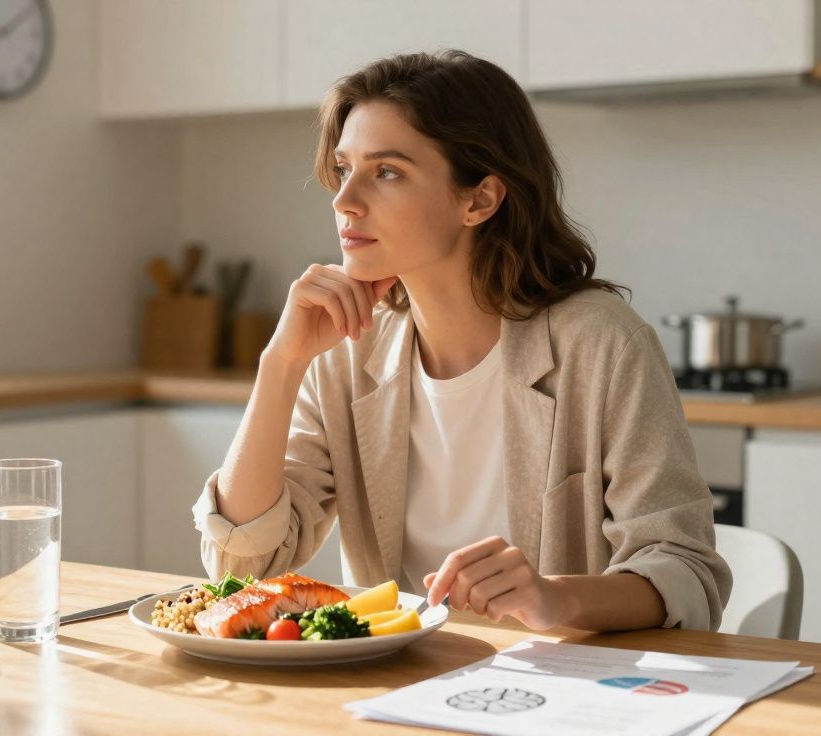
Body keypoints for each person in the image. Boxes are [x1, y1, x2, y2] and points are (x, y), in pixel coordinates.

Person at [191, 50, 731, 633]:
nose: (344, 200)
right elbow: (241, 560)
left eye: (387, 171)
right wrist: (282, 363)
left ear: (479, 199)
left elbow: (684, 569)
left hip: (562, 692)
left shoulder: (602, 344)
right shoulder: (348, 351)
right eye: (344, 169)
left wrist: (553, 599)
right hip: (396, 685)